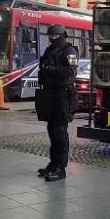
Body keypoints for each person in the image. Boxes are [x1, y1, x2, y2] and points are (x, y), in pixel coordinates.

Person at [35, 24, 78, 182]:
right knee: (52, 129)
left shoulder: (70, 51)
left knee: (60, 130)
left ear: (61, 35)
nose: (52, 39)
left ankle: (61, 168)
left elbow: (72, 71)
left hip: (63, 94)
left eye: (55, 36)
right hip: (50, 93)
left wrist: (50, 69)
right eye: (50, 36)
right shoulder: (50, 50)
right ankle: (53, 164)